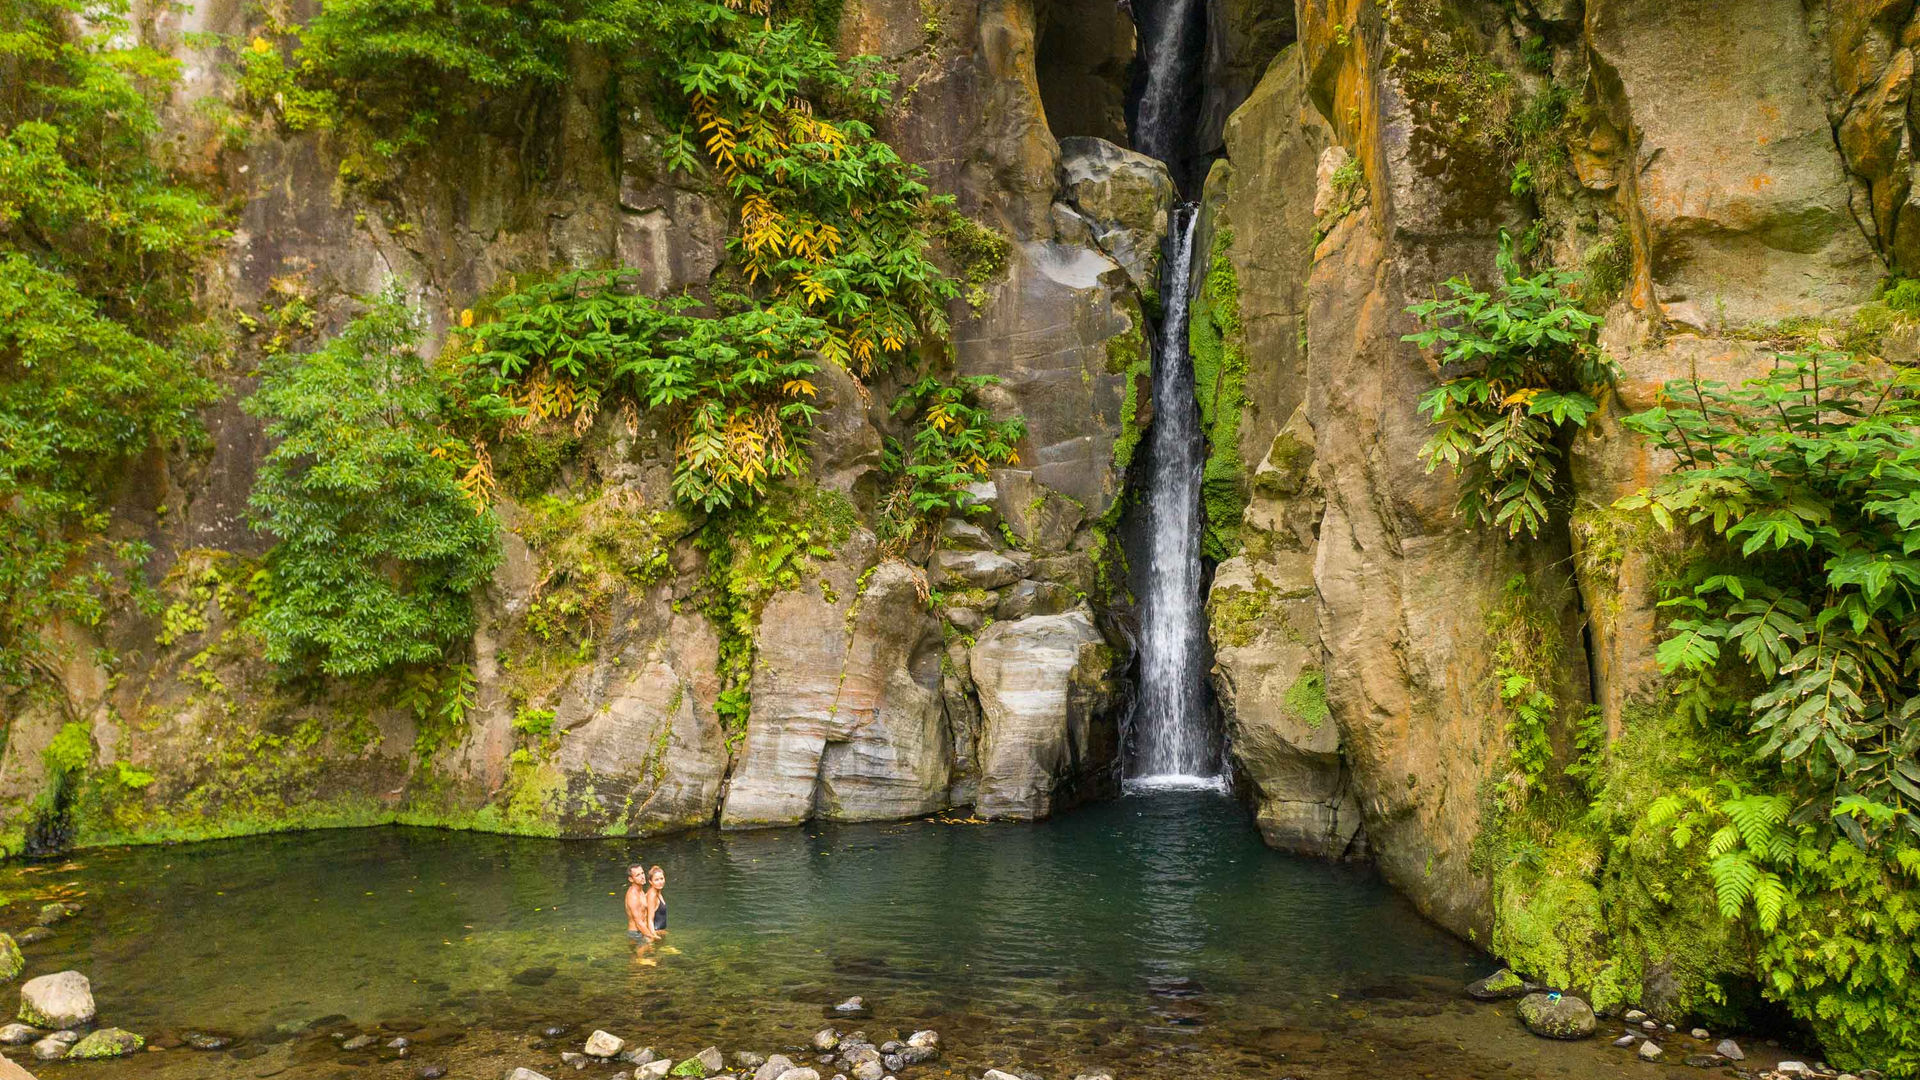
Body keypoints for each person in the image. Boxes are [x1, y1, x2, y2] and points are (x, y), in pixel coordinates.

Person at [624, 864, 651, 942]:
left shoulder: (640, 891)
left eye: (642, 873)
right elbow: (638, 922)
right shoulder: (633, 896)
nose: (642, 877)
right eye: (638, 875)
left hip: (642, 931)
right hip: (636, 933)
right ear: (631, 879)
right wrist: (651, 936)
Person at [640, 864, 667, 939]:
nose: (660, 882)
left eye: (661, 878)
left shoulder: (657, 892)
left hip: (659, 932)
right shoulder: (652, 895)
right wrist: (653, 936)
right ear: (651, 882)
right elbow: (650, 919)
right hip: (654, 934)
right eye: (656, 880)